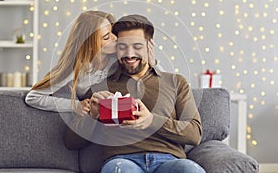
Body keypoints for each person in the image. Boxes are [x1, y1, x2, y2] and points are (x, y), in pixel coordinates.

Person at [64, 14, 205, 173]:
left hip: (169, 161)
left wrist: (152, 121)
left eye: (137, 47)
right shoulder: (100, 87)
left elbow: (194, 134)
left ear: (149, 46)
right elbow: (71, 142)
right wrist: (93, 115)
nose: (129, 54)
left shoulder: (175, 82)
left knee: (190, 170)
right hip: (122, 161)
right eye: (123, 47)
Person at [25, 11, 156, 115]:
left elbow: (157, 83)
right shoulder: (76, 68)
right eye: (106, 37)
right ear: (90, 45)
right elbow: (32, 97)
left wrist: (152, 63)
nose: (115, 38)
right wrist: (75, 105)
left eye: (112, 32)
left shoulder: (118, 59)